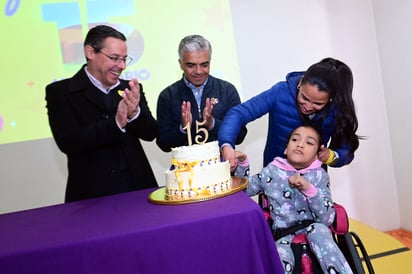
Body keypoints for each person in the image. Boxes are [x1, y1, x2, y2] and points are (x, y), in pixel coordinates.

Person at [45, 25, 158, 202]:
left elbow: (151, 133)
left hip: (137, 189)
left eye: (124, 59)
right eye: (114, 58)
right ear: (90, 52)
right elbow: (68, 142)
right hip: (91, 196)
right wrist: (116, 123)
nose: (121, 66)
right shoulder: (61, 92)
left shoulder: (129, 88)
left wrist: (135, 112)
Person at [234, 125, 353, 273]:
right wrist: (242, 165)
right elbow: (242, 191)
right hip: (283, 235)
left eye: (309, 142)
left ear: (316, 155)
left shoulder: (319, 176)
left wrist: (309, 190)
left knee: (319, 232)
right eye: (295, 139)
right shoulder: (271, 172)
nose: (300, 144)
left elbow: (327, 219)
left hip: (314, 228)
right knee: (278, 255)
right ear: (285, 149)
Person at [219, 57, 361, 170]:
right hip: (274, 180)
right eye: (304, 98)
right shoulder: (281, 92)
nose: (308, 106)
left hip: (313, 187)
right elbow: (239, 113)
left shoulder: (337, 108)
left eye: (318, 104)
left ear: (330, 99)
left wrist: (331, 156)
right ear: (300, 83)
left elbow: (346, 151)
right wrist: (226, 144)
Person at [156, 34, 247, 152]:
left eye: (204, 65)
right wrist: (183, 129)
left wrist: (212, 124)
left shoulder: (227, 90)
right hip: (186, 168)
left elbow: (240, 135)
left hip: (221, 166)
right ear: (180, 64)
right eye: (191, 65)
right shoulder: (167, 96)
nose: (198, 71)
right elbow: (163, 144)